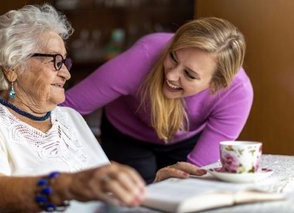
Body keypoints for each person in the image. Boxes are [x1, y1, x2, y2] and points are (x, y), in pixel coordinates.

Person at [0, 4, 206, 212]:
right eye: (55, 62)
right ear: (12, 68)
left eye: (65, 63)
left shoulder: (69, 118)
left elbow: (102, 193)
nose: (66, 75)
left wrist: (150, 188)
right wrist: (68, 185)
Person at [62, 17, 253, 184]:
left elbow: (198, 173)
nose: (171, 75)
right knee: (134, 197)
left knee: (185, 189)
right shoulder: (143, 56)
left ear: (217, 84)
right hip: (127, 135)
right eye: (173, 57)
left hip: (186, 140)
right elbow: (65, 107)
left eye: (189, 74)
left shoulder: (237, 93)